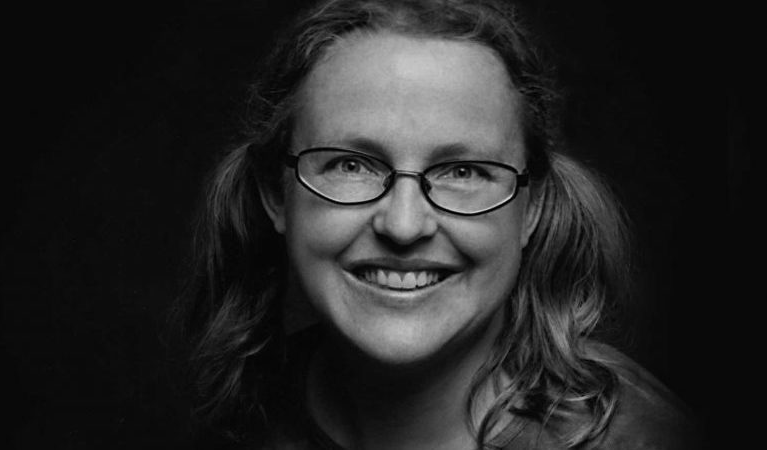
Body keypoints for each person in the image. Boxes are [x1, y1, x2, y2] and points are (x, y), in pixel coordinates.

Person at [174, 0, 698, 448]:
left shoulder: (645, 440)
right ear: (275, 194)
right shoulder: (245, 417)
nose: (403, 225)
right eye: (351, 165)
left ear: (532, 208)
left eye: (462, 172)